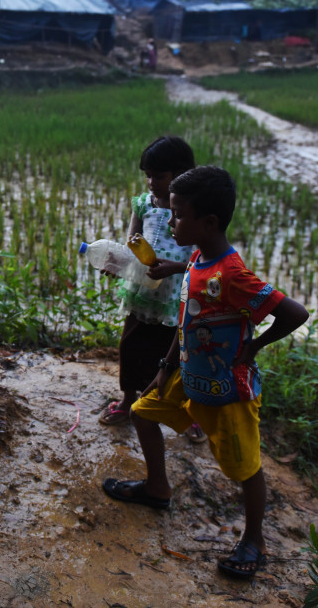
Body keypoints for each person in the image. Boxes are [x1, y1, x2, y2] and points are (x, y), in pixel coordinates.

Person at [101, 165, 309, 580]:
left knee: (244, 467)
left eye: (178, 215)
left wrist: (254, 346)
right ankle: (157, 488)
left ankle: (254, 539)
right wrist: (166, 365)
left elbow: (295, 314)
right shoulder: (198, 257)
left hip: (227, 390)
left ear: (209, 222)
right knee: (142, 413)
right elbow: (186, 318)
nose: (170, 222)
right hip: (185, 374)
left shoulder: (232, 274)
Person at [99, 137, 204, 444]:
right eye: (148, 175)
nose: (151, 182)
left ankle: (186, 412)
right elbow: (131, 245)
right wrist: (117, 264)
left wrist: (174, 267)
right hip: (143, 294)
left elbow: (204, 262)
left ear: (180, 174)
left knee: (177, 358)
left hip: (176, 299)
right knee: (131, 347)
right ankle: (128, 400)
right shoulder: (144, 204)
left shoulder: (193, 210)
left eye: (159, 176)